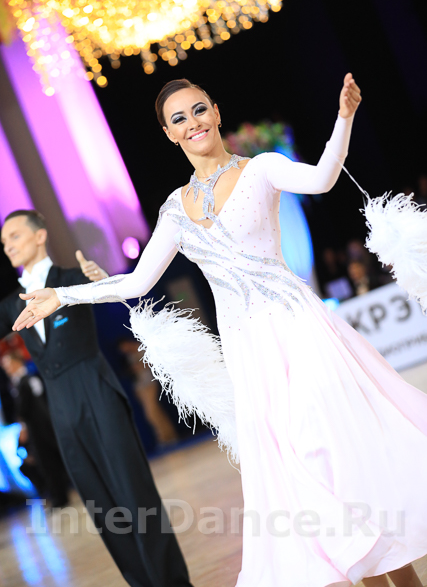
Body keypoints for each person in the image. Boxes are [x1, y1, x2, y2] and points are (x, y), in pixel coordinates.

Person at [12, 74, 427, 587]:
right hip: (250, 354)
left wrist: (344, 118)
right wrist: (64, 295)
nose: (193, 123)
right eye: (179, 119)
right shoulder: (174, 210)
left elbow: (323, 178)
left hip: (302, 333)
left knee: (335, 452)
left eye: (199, 109)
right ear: (168, 133)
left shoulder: (261, 169)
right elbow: (138, 281)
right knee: (305, 476)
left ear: (216, 112)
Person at [0, 211, 193, 587]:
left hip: (97, 392)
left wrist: (102, 278)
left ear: (40, 236)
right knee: (101, 506)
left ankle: (173, 582)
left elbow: (117, 291)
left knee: (135, 492)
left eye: (15, 236)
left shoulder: (74, 277)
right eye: (4, 241)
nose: (8, 245)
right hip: (61, 410)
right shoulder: (11, 304)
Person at [1, 350, 69, 508]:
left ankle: (61, 496)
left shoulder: (29, 379)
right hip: (36, 428)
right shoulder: (18, 383)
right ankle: (57, 495)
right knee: (44, 463)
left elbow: (28, 407)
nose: (7, 369)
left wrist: (23, 425)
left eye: (8, 365)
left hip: (41, 428)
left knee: (50, 461)